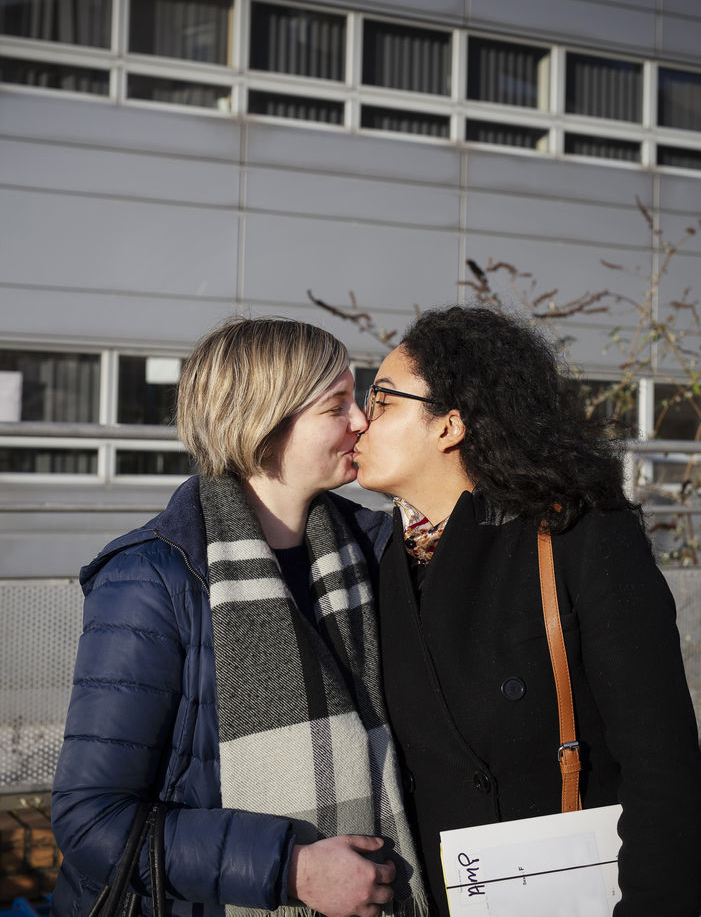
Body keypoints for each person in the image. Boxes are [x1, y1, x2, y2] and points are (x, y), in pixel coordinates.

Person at [51, 317, 427, 917]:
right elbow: (92, 818)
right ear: (264, 424)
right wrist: (292, 868)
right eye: (336, 406)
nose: (361, 421)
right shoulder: (152, 576)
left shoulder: (375, 551)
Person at [352, 305, 701, 917]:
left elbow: (661, 765)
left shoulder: (579, 536)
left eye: (381, 400)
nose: (360, 420)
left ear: (450, 425)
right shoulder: (374, 559)